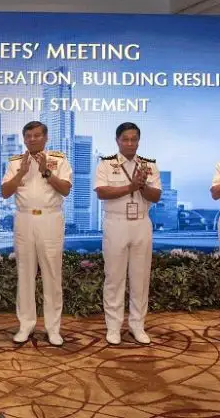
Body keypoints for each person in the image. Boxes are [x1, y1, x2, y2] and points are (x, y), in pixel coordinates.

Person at [2, 121, 72, 346]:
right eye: (28, 136)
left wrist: (46, 172)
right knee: (25, 273)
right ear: (24, 139)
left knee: (52, 274)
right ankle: (26, 325)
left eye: (37, 135)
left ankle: (53, 328)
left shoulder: (58, 160)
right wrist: (21, 172)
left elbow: (66, 189)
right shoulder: (15, 162)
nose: (32, 139)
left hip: (50, 218)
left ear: (46, 137)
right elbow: (5, 192)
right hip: (24, 219)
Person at [95, 122, 161, 346]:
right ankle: (113, 327)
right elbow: (102, 192)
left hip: (141, 223)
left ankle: (137, 325)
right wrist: (130, 187)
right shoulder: (106, 164)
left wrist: (142, 186)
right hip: (116, 223)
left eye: (134, 139)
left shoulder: (149, 165)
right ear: (117, 141)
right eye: (125, 139)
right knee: (114, 277)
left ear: (139, 141)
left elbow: (156, 196)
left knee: (140, 278)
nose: (130, 143)